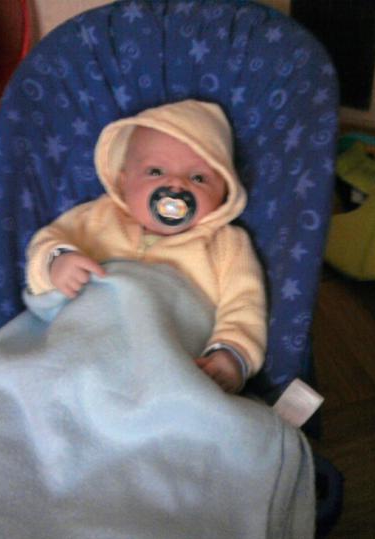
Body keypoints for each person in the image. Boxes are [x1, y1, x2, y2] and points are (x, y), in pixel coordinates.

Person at [26, 100, 266, 393]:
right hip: (80, 345)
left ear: (224, 191)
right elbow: (46, 240)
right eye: (155, 171)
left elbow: (245, 302)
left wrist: (230, 354)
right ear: (124, 181)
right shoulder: (97, 216)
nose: (176, 185)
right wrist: (57, 261)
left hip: (164, 364)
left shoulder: (226, 243)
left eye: (198, 177)